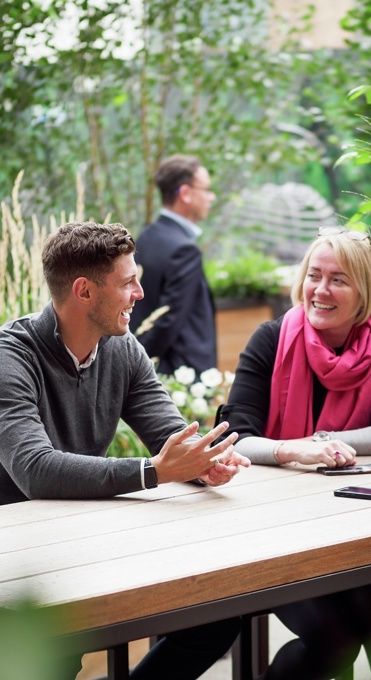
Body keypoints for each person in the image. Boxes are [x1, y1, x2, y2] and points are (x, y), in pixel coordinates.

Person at [0, 221, 251, 680]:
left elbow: (169, 434)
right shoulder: (10, 358)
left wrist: (202, 462)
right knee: (57, 655)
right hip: (20, 564)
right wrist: (153, 471)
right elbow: (34, 470)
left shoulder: (121, 349)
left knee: (215, 616)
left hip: (91, 539)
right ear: (84, 291)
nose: (139, 293)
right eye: (127, 282)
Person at [217, 226, 371, 679]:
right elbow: (236, 435)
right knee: (338, 635)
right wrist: (291, 451)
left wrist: (328, 442)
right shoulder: (272, 338)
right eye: (315, 275)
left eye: (338, 279)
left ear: (365, 293)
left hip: (351, 527)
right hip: (273, 532)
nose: (321, 289)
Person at [129, 154, 218, 374]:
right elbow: (167, 321)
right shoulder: (184, 250)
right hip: (179, 375)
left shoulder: (146, 238)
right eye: (206, 190)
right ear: (185, 193)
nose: (212, 197)